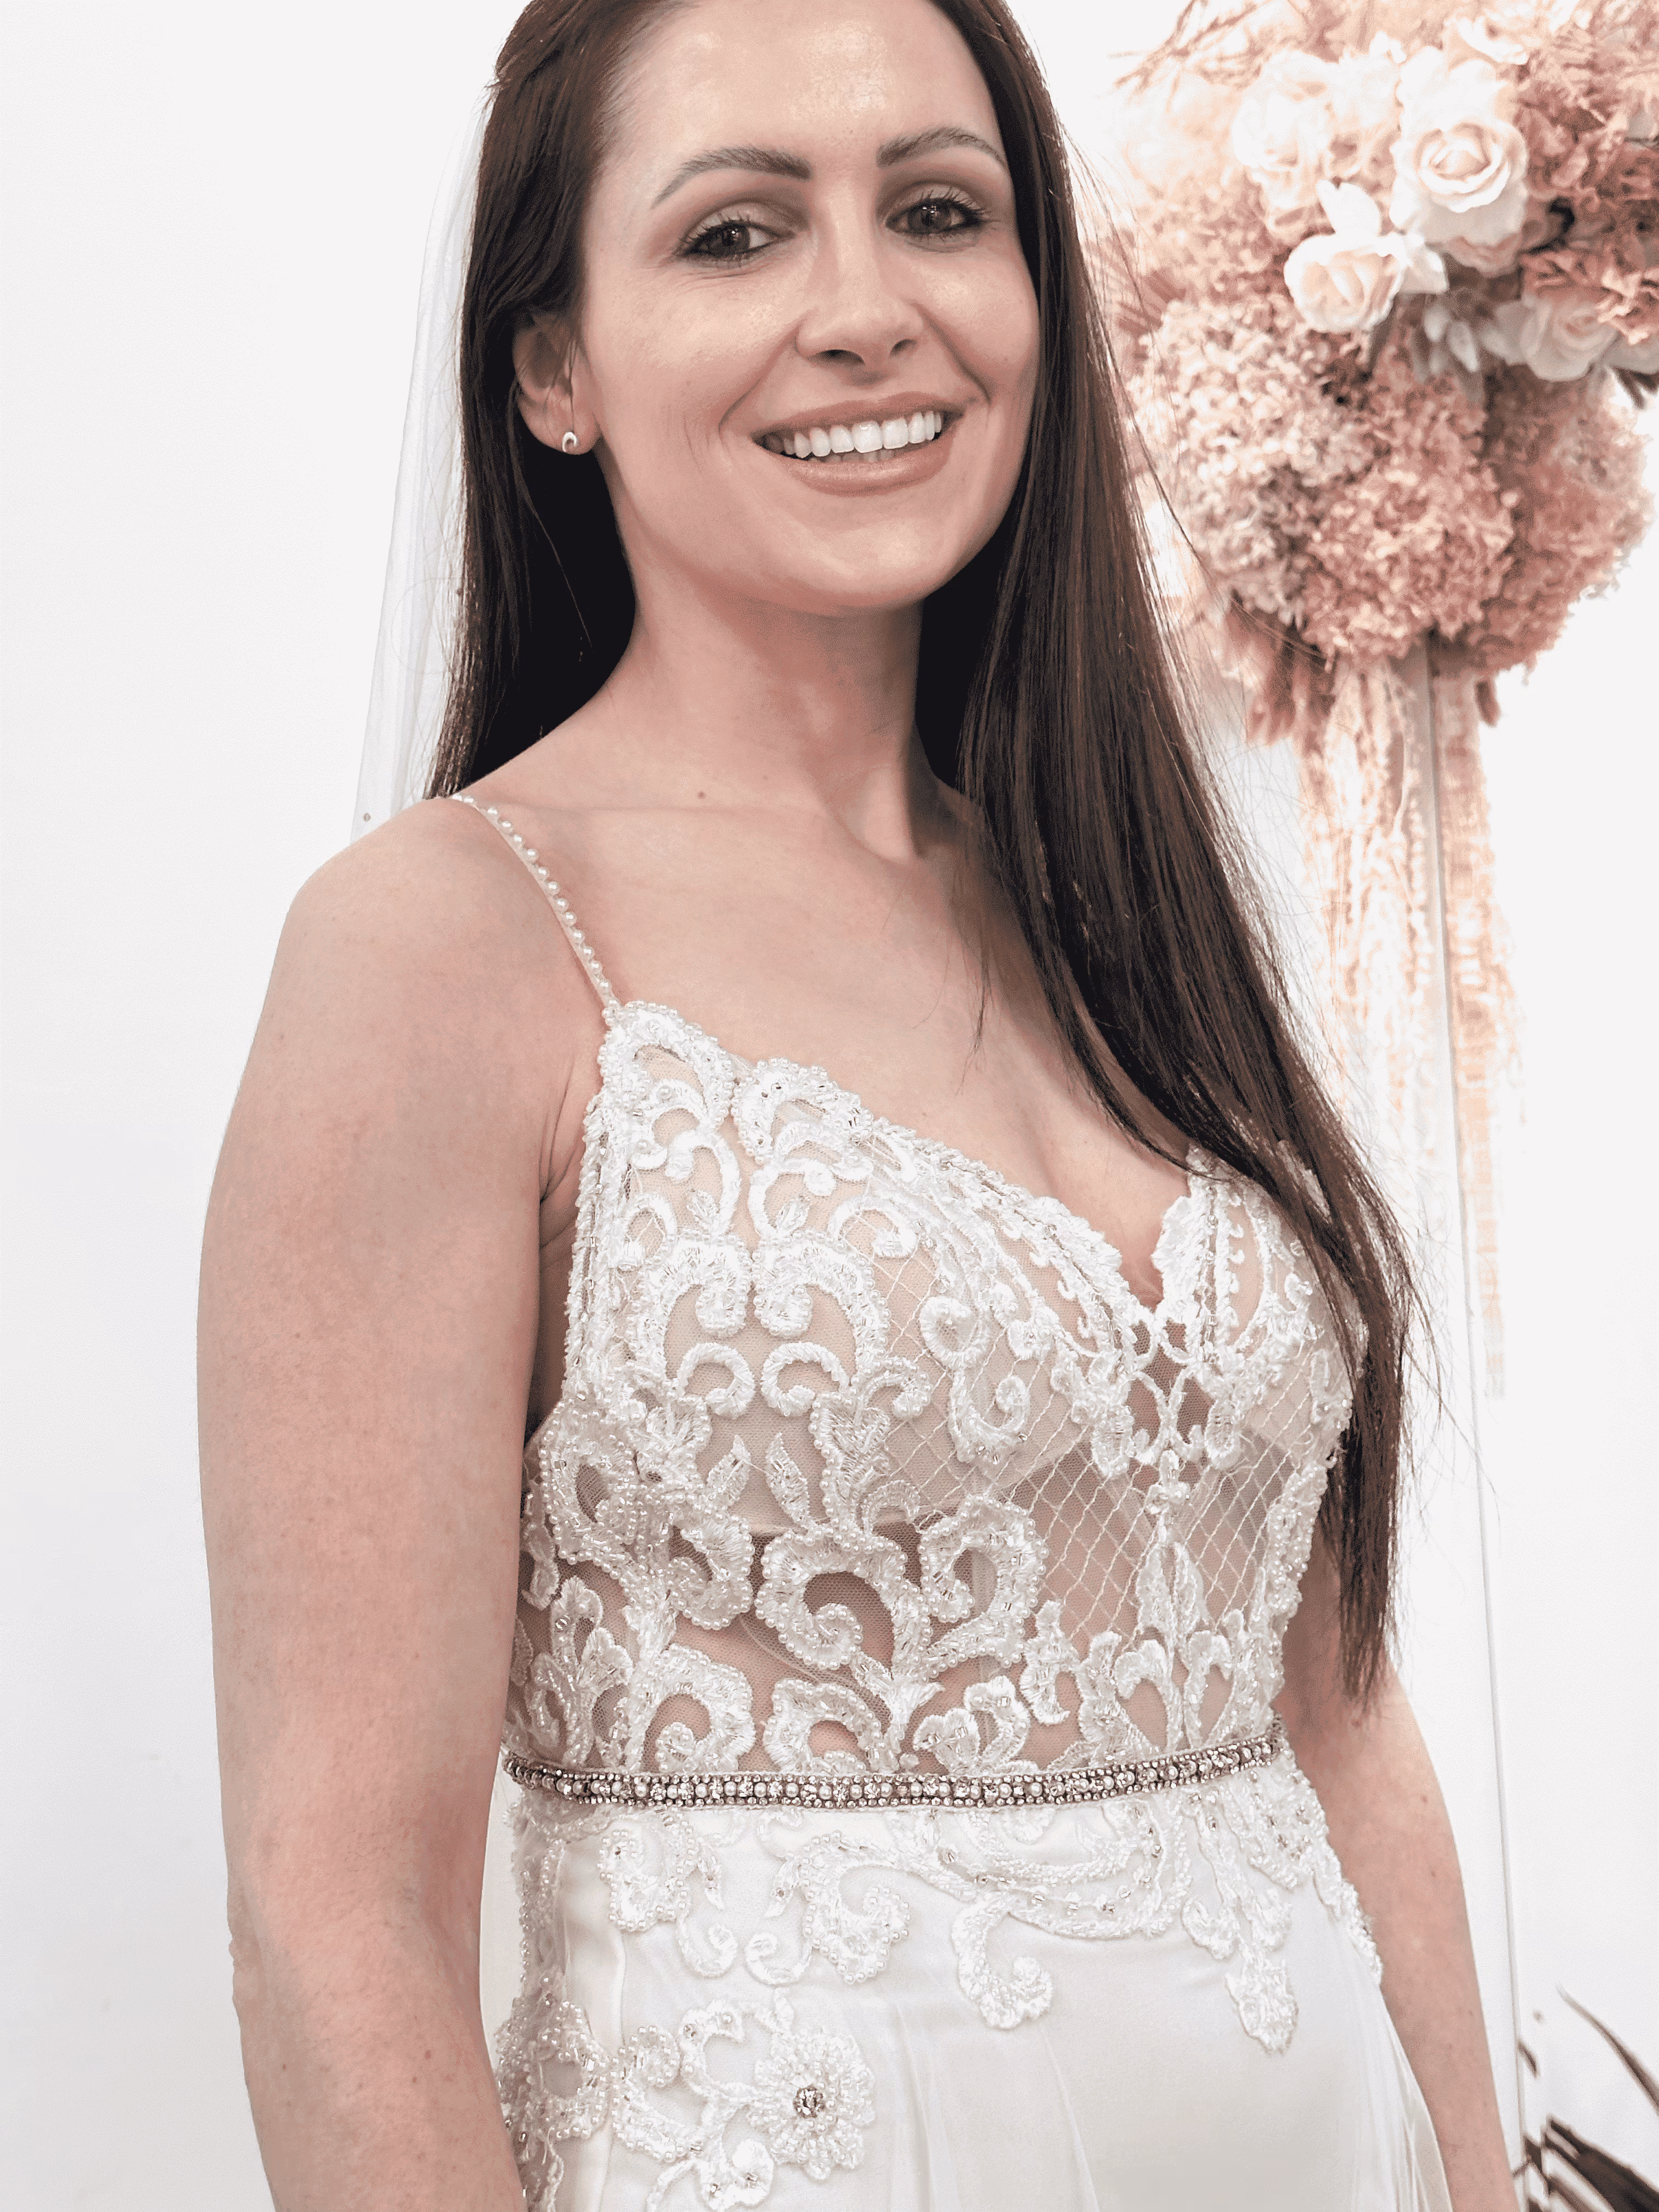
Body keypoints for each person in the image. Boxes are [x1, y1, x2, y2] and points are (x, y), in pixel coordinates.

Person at [197, 1, 1517, 2205]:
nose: (863, 311)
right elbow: (338, 1914)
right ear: (554, 368)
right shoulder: (445, 945)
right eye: (734, 235)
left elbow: (1340, 1712)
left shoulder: (1134, 904)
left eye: (939, 210)